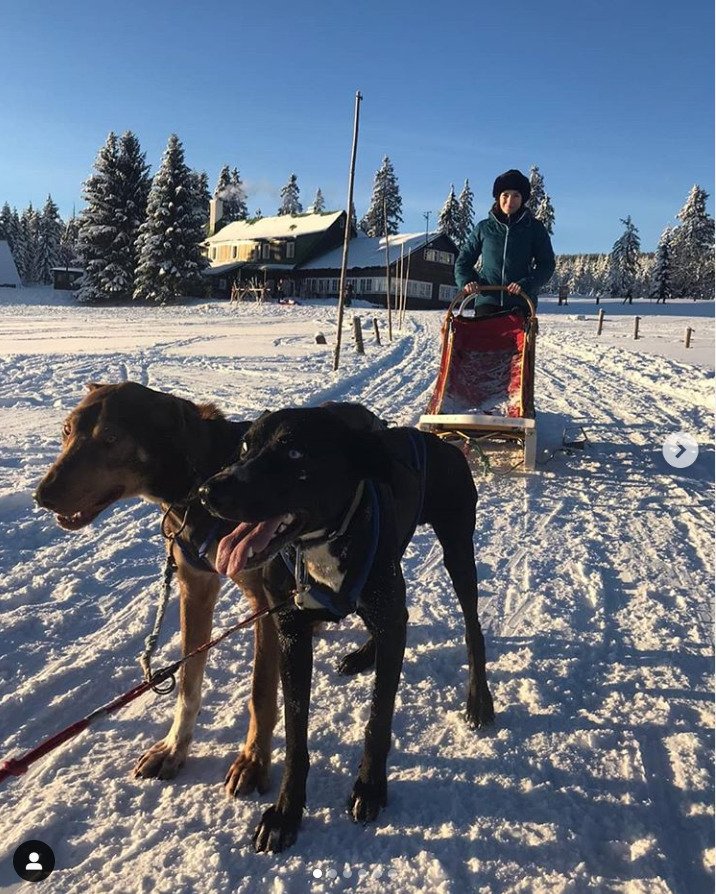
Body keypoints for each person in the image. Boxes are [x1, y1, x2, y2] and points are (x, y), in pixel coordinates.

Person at [455, 169, 555, 315]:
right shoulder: (484, 228)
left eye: (516, 196)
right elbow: (463, 262)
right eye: (505, 195)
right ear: (498, 197)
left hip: (520, 303)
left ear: (523, 199)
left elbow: (546, 265)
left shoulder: (534, 228)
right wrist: (468, 281)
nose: (510, 201)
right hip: (487, 302)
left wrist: (526, 284)